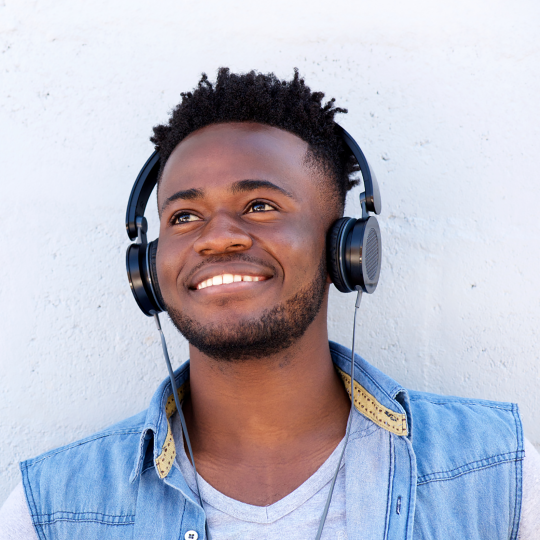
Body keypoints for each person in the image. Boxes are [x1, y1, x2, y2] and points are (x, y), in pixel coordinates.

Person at [0, 68, 539, 540]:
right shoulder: (53, 510)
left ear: (346, 249)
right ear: (148, 266)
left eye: (259, 205)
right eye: (184, 217)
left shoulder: (495, 474)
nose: (217, 238)